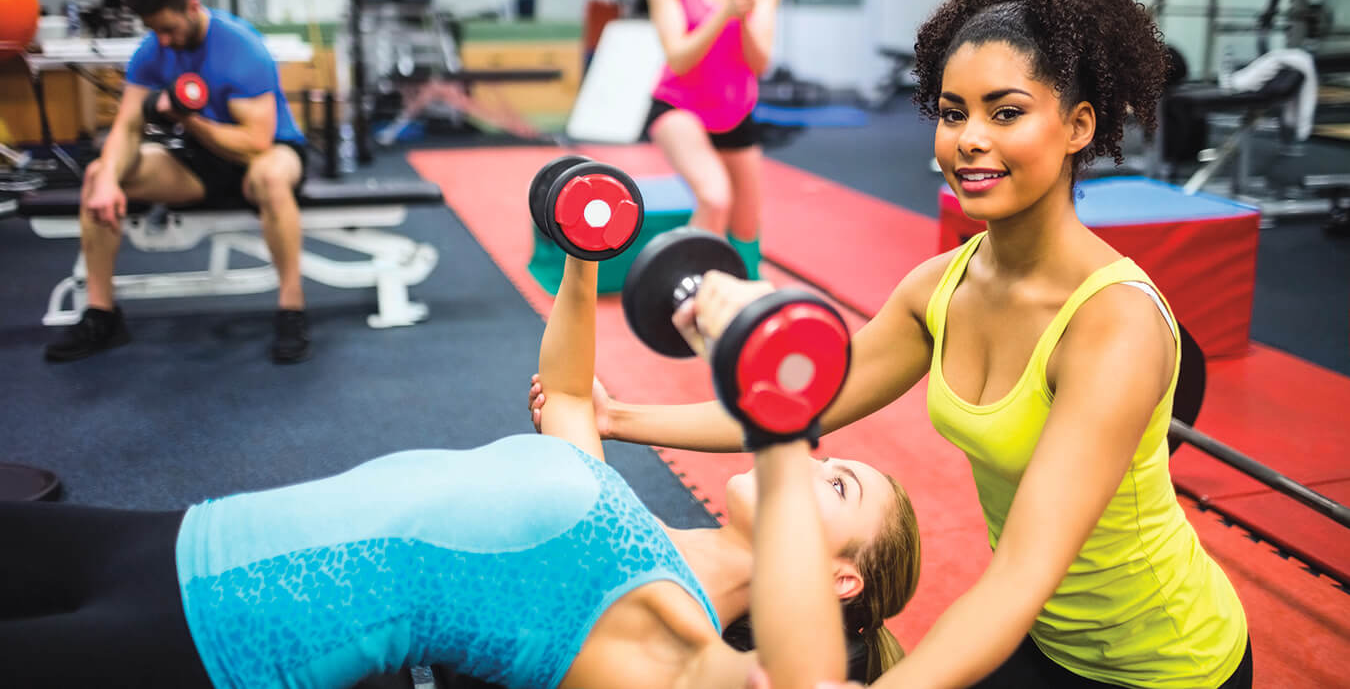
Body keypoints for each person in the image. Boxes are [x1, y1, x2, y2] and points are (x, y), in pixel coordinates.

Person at [534, 0, 1253, 688]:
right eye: (951, 112)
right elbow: (797, 404)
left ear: (1077, 125)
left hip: (1166, 659)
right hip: (1041, 635)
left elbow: (1020, 574)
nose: (969, 139)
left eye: (1005, 113)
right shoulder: (939, 289)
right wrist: (619, 416)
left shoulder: (1114, 325)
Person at [2, 236, 920, 689]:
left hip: (225, 644)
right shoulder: (625, 513)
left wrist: (777, 420)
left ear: (840, 580)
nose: (811, 466)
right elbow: (565, 396)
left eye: (836, 482)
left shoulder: (673, 639)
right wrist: (585, 251)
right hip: (191, 537)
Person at [43, 0, 312, 365]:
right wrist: (108, 180)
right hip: (200, 162)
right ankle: (102, 314)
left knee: (271, 176)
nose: (164, 41)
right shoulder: (153, 53)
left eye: (170, 29)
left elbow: (254, 143)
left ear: (192, 5)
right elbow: (128, 126)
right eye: (155, 31)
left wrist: (187, 117)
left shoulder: (240, 47)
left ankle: (292, 308)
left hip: (270, 153)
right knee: (101, 173)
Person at [642, 0, 783, 279]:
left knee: (745, 227)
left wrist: (745, 17)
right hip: (677, 106)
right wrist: (724, 12)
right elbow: (679, 58)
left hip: (736, 110)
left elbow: (759, 63)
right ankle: (682, 289)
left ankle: (746, 306)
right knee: (715, 197)